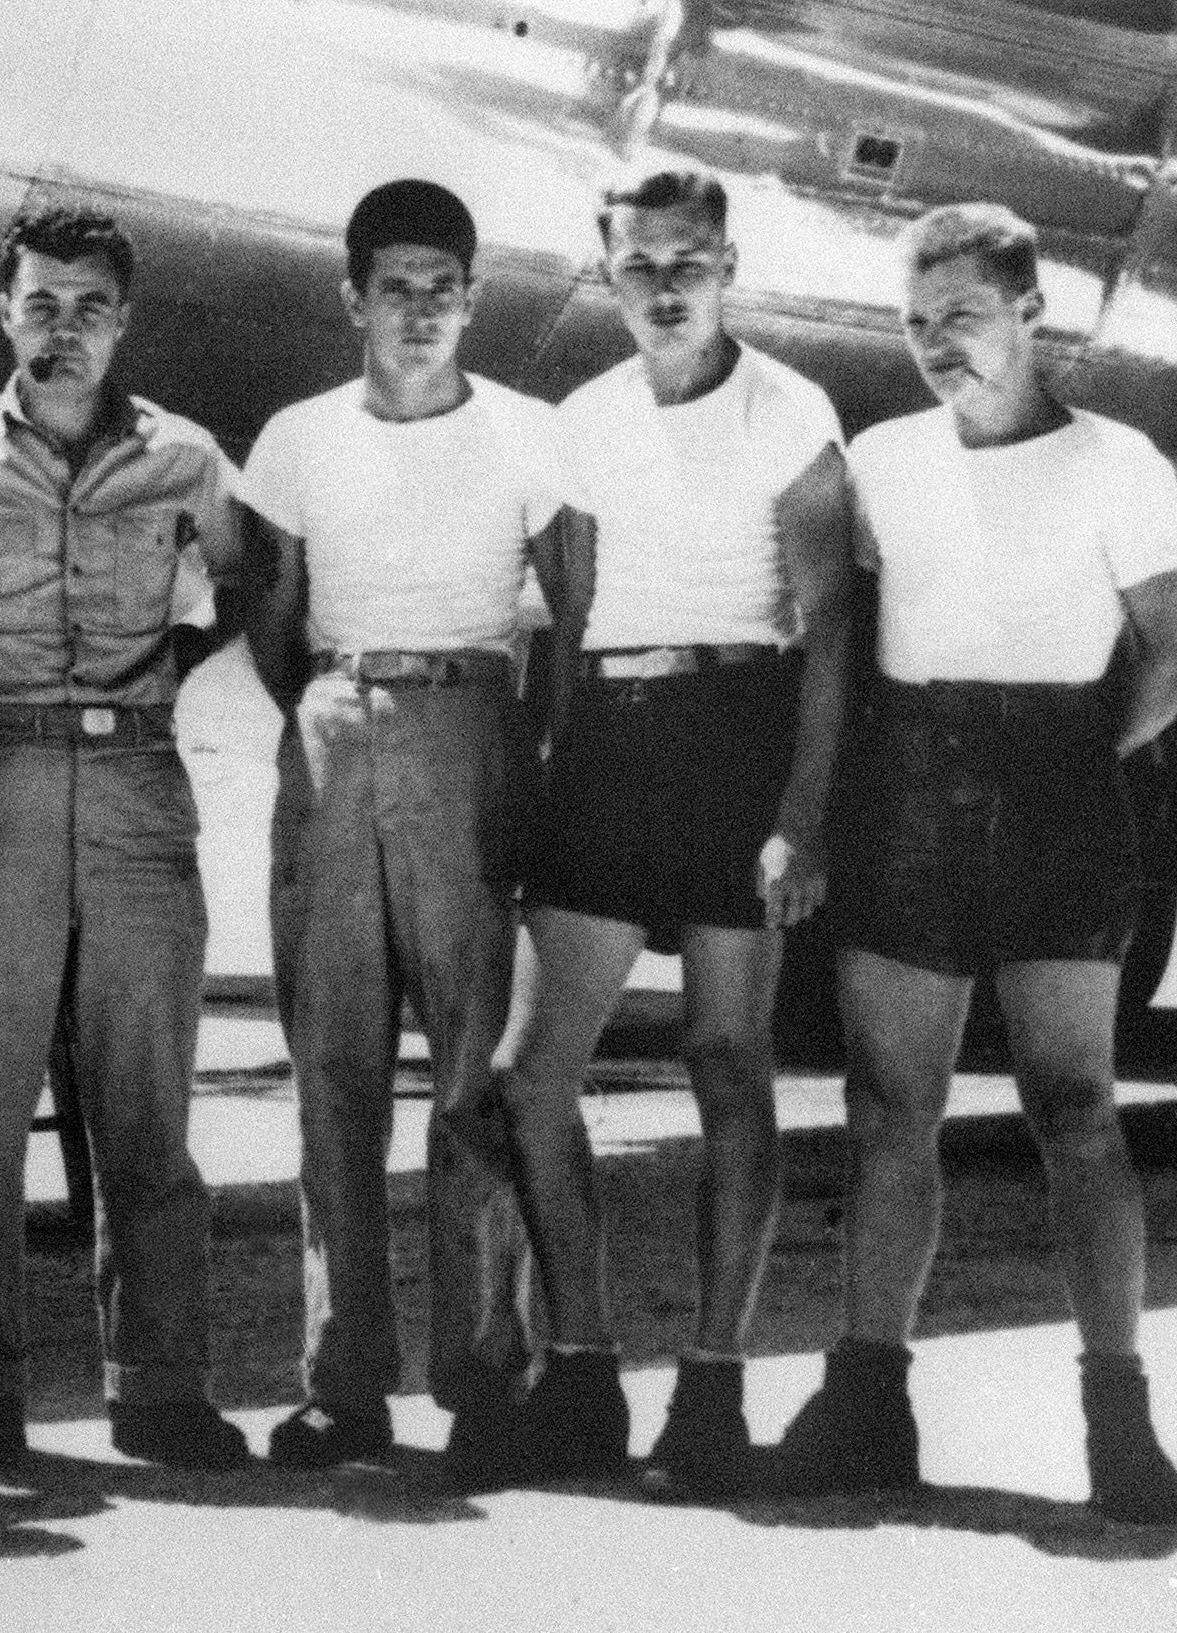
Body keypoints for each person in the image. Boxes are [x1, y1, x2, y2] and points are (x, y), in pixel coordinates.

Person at [774, 204, 1177, 1523]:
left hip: (1057, 790)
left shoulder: (1116, 459)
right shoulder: (881, 460)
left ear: (1033, 312)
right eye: (915, 324)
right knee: (887, 1105)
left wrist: (1081, 749)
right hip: (904, 785)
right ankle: (866, 1403)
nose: (934, 346)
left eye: (959, 316)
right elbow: (836, 641)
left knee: (1075, 1107)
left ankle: (1117, 1420)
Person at [0, 206, 251, 1477]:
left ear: (124, 320)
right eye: (40, 303)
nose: (63, 328)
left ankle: (163, 1388)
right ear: (4, 313)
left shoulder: (186, 458)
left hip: (136, 781)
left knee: (148, 1100)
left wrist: (176, 660)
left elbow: (250, 577)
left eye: (89, 306)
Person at [497, 167, 854, 1494]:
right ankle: (580, 1370)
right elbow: (568, 604)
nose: (663, 284)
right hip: (610, 735)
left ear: (727, 269)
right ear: (606, 264)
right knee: (527, 1079)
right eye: (640, 260)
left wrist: (801, 815)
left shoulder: (787, 408)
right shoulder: (579, 417)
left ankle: (712, 1388)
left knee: (725, 1059)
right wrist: (549, 759)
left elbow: (828, 627)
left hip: (739, 725)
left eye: (688, 262)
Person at [239, 182, 561, 1480]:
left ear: (473, 297)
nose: (420, 311)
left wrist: (508, 759)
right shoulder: (296, 439)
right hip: (334, 734)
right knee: (335, 1077)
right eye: (395, 287)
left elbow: (571, 622)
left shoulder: (529, 436)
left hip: (471, 723)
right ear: (353, 297)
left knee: (475, 1074)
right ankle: (343, 1387)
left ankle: (488, 1380)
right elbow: (273, 613)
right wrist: (338, 715)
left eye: (443, 287)